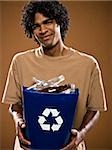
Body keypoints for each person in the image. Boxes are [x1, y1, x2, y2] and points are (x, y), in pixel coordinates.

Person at [2, 1, 107, 150]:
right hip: (29, 146)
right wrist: (18, 122)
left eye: (48, 22)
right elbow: (15, 105)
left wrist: (80, 135)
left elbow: (94, 109)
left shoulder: (88, 64)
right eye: (36, 26)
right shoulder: (20, 61)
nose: (42, 30)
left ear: (59, 23)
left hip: (70, 146)